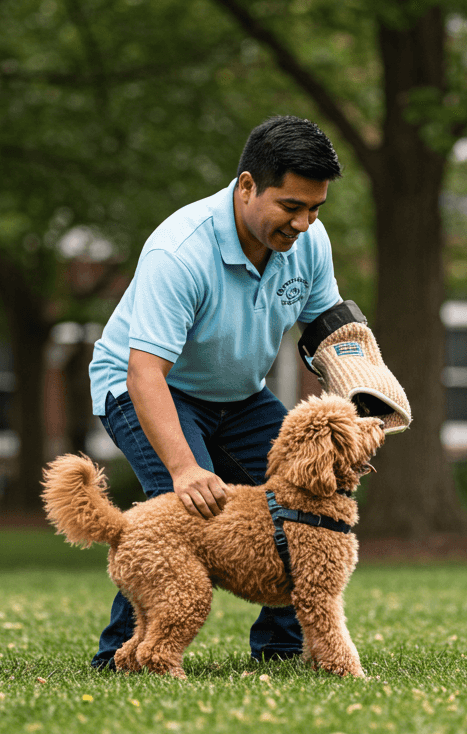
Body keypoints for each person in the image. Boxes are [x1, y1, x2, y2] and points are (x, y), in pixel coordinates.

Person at [86, 115, 347, 669]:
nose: (304, 223)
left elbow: (328, 327)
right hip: (150, 386)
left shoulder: (307, 241)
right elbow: (144, 373)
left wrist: (366, 388)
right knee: (182, 509)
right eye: (291, 206)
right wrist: (184, 469)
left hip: (239, 395)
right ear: (248, 186)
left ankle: (279, 650)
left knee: (303, 495)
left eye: (315, 209)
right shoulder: (179, 251)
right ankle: (123, 657)